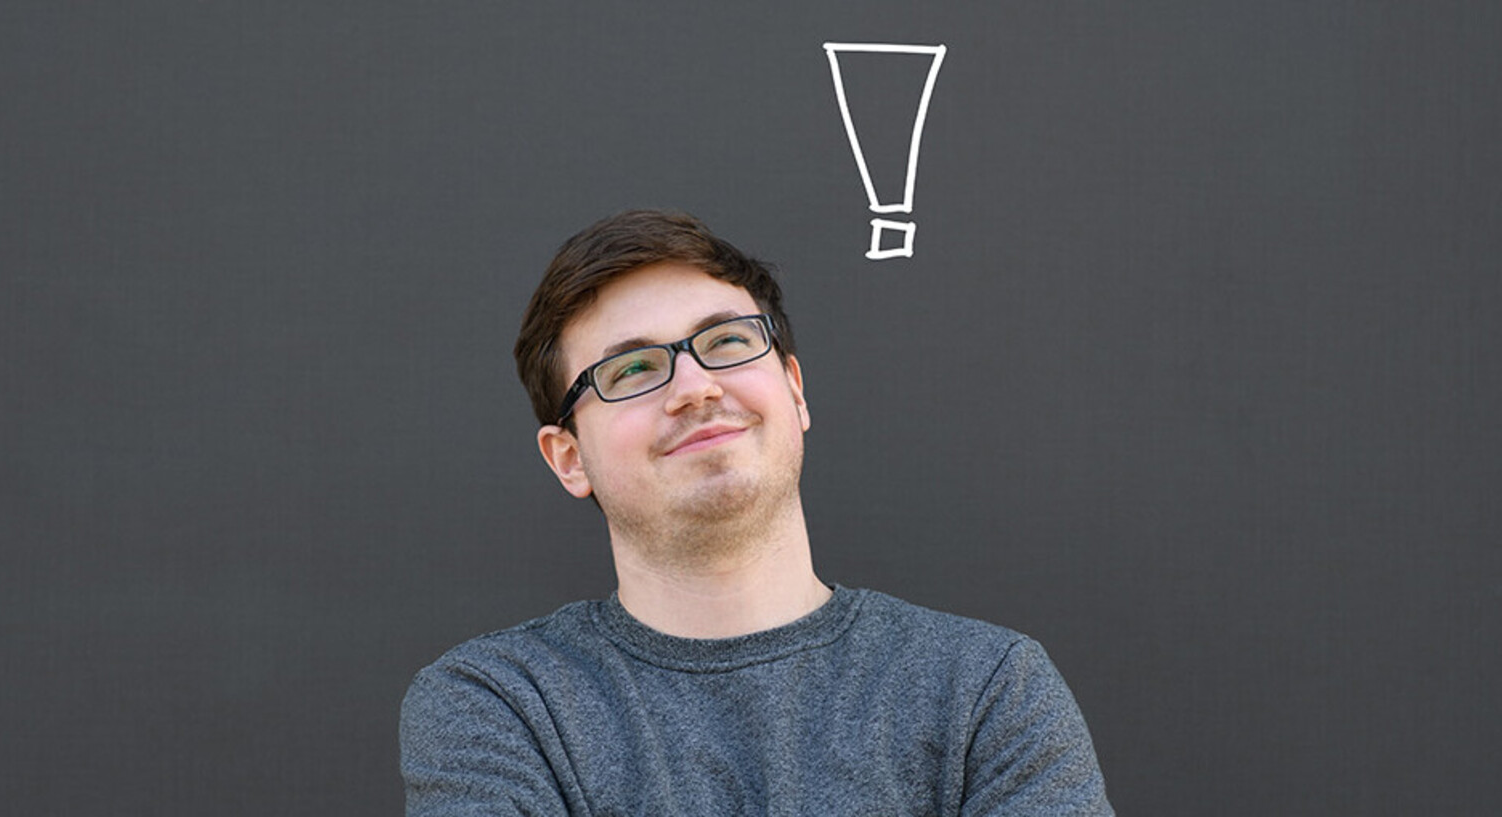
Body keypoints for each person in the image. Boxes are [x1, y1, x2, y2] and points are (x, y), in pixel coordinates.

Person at [400, 210, 1113, 815]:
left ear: (794, 391)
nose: (695, 387)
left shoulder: (987, 689)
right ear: (568, 457)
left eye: (728, 341)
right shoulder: (500, 703)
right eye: (632, 370)